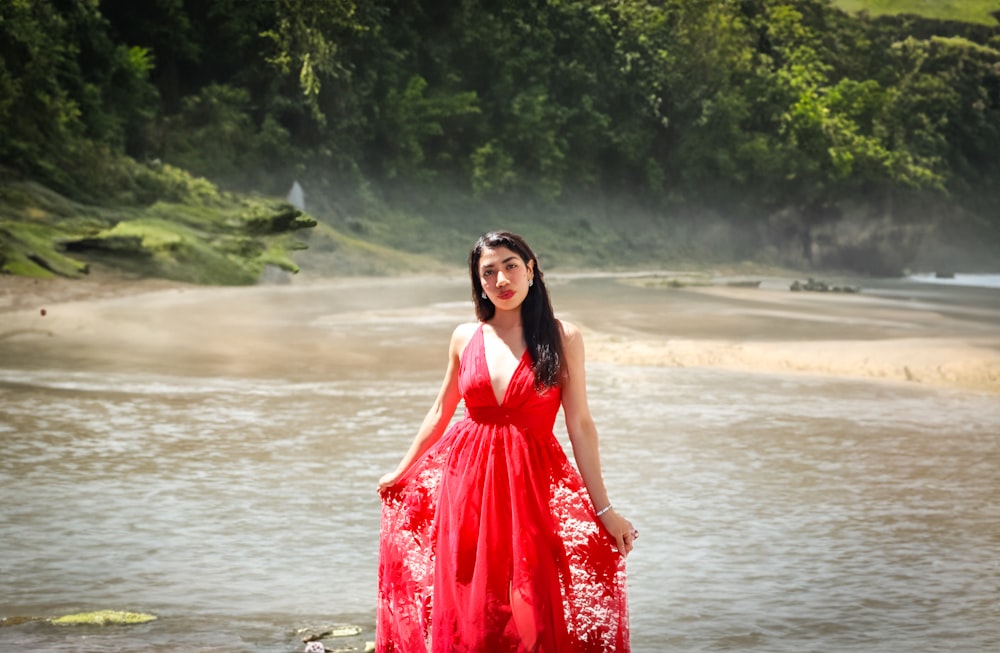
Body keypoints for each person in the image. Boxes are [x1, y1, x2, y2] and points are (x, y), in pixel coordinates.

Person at [377, 230, 635, 652]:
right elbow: (441, 412)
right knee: (469, 593)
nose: (501, 280)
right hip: (466, 482)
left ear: (531, 271)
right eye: (489, 272)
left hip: (530, 481)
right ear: (479, 283)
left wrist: (604, 509)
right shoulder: (465, 337)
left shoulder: (563, 337)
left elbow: (581, 424)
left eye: (511, 266)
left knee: (531, 592)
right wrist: (402, 471)